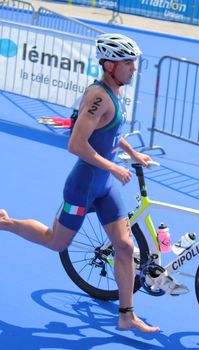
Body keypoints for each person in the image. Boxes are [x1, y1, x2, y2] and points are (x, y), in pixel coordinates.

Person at [0, 33, 160, 333]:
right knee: (55, 241)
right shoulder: (97, 97)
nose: (133, 69)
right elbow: (76, 144)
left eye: (134, 63)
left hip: (104, 187)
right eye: (128, 63)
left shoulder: (115, 93)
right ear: (110, 65)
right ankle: (6, 223)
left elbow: (111, 131)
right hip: (84, 185)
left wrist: (132, 152)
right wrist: (113, 166)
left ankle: (126, 314)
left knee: (125, 248)